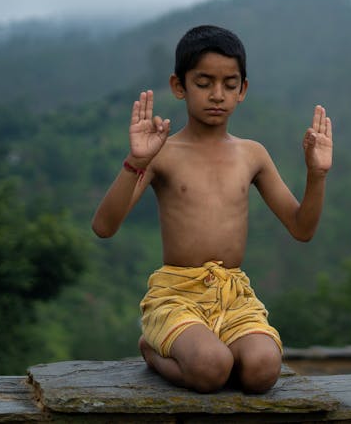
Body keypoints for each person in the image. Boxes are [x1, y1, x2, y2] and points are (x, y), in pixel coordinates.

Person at [91, 25, 333, 394]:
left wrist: (316, 175)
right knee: (210, 368)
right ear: (179, 86)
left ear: (243, 90)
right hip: (177, 294)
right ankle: (153, 351)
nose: (217, 95)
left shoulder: (253, 154)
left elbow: (302, 228)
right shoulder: (164, 154)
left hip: (233, 296)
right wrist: (136, 161)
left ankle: (212, 353)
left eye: (229, 84)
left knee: (264, 370)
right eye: (203, 83)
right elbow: (104, 226)